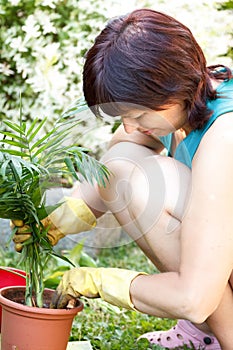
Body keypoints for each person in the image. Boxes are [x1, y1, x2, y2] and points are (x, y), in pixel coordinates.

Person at [13, 9, 233, 350]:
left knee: (148, 182)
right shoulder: (198, 91)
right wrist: (71, 214)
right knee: (125, 164)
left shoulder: (224, 137)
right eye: (123, 116)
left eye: (138, 115)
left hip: (204, 289)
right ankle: (203, 331)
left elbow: (195, 297)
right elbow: (119, 158)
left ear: (171, 86)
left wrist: (100, 281)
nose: (130, 126)